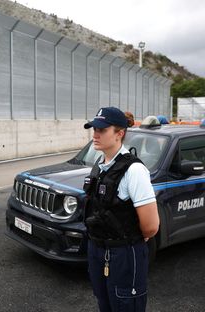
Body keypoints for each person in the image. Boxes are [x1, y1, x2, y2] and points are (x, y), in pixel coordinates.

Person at [83, 107, 159, 312]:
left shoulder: (134, 170)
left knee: (125, 306)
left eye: (102, 129)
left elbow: (151, 226)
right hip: (98, 250)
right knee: (105, 303)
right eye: (94, 128)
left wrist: (127, 241)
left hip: (124, 254)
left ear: (120, 133)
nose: (95, 134)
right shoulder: (100, 164)